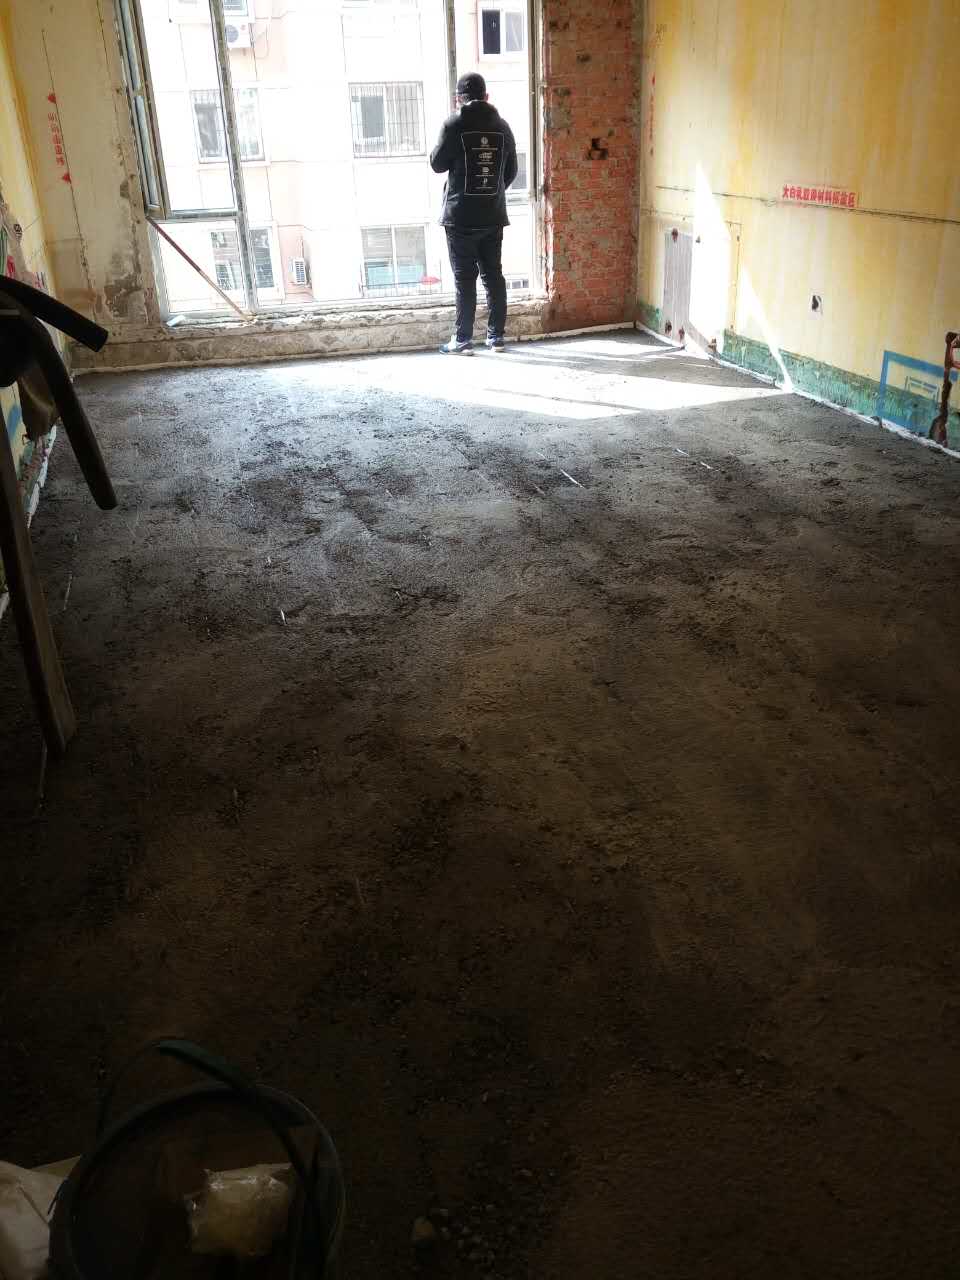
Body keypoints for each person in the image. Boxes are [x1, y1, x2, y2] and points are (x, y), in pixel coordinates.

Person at [430, 72, 518, 355]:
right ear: (487, 97)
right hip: (493, 215)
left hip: (460, 218)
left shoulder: (454, 124)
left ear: (459, 98)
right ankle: (496, 338)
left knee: (464, 279)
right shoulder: (503, 127)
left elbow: (437, 164)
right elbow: (511, 171)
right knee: (493, 276)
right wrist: (491, 193)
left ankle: (463, 340)